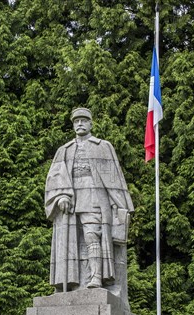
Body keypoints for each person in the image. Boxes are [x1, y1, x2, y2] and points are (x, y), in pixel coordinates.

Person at [45, 108, 134, 297]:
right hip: (69, 201)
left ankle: (95, 277)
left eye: (84, 120)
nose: (80, 124)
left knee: (92, 236)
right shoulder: (64, 150)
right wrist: (61, 196)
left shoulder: (102, 146)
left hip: (94, 197)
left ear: (91, 123)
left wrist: (120, 205)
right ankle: (69, 282)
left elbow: (113, 178)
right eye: (76, 121)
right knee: (68, 242)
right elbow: (54, 178)